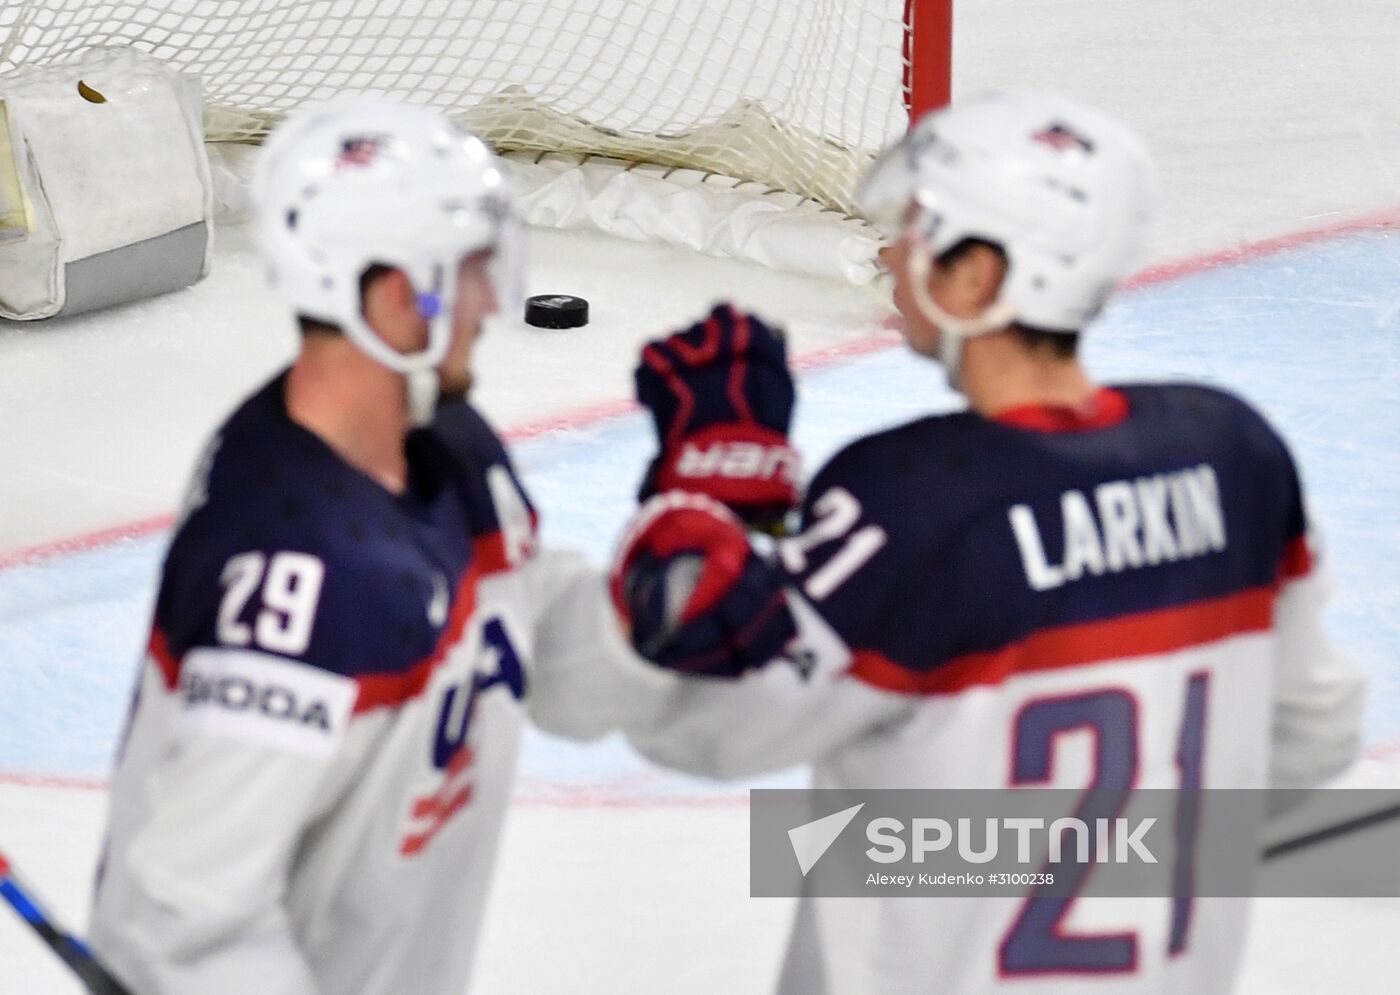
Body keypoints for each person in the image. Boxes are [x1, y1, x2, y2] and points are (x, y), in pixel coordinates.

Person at [611, 90, 1368, 993]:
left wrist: (705, 496)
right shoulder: (1235, 456)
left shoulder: (912, 499)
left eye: (924, 229)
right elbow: (1313, 731)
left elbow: (707, 732)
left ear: (982, 279)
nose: (895, 248)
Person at [88, 98, 655, 995]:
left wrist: (669, 591)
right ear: (396, 294)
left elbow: (530, 630)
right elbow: (181, 920)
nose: (487, 301)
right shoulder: (292, 570)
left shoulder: (444, 446)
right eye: (468, 270)